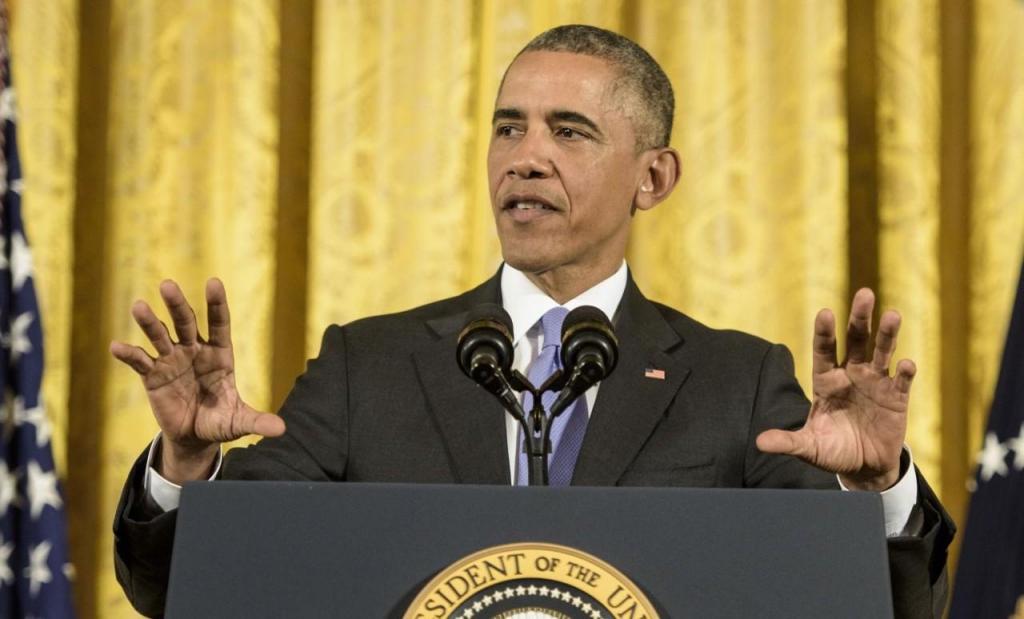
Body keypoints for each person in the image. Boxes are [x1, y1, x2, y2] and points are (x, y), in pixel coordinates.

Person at [110, 25, 954, 618]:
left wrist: (873, 492)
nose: (526, 155)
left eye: (570, 131)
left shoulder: (738, 382)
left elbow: (884, 605)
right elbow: (184, 585)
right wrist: (188, 463)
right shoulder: (370, 365)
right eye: (508, 127)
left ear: (653, 177)